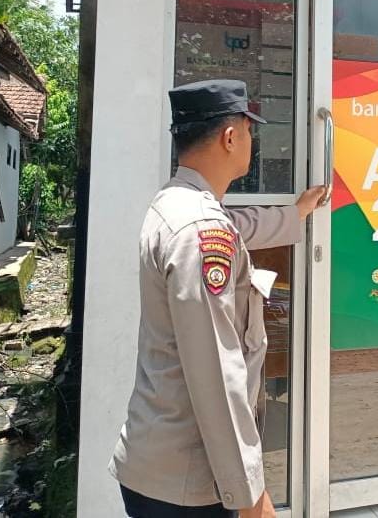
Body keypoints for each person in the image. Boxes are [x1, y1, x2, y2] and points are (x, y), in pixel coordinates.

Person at [110, 79, 327, 518]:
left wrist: (297, 212)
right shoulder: (199, 230)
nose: (251, 141)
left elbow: (236, 227)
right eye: (249, 130)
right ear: (230, 137)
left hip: (160, 464)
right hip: (187, 484)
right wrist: (250, 496)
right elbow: (216, 373)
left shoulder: (178, 204)